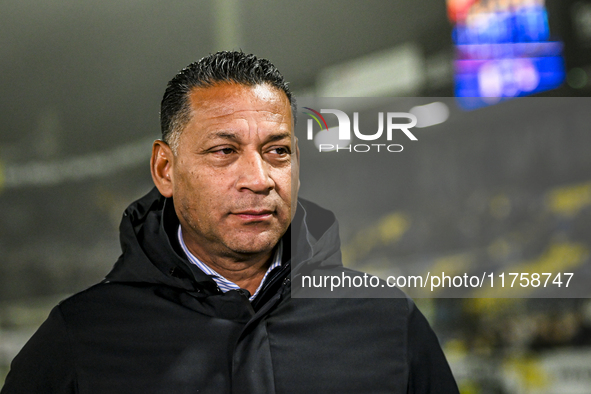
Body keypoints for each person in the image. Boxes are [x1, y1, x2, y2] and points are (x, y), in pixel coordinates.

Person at [1, 51, 459, 393]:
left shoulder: (387, 322)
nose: (258, 180)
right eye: (224, 151)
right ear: (165, 170)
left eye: (276, 151)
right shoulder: (80, 337)